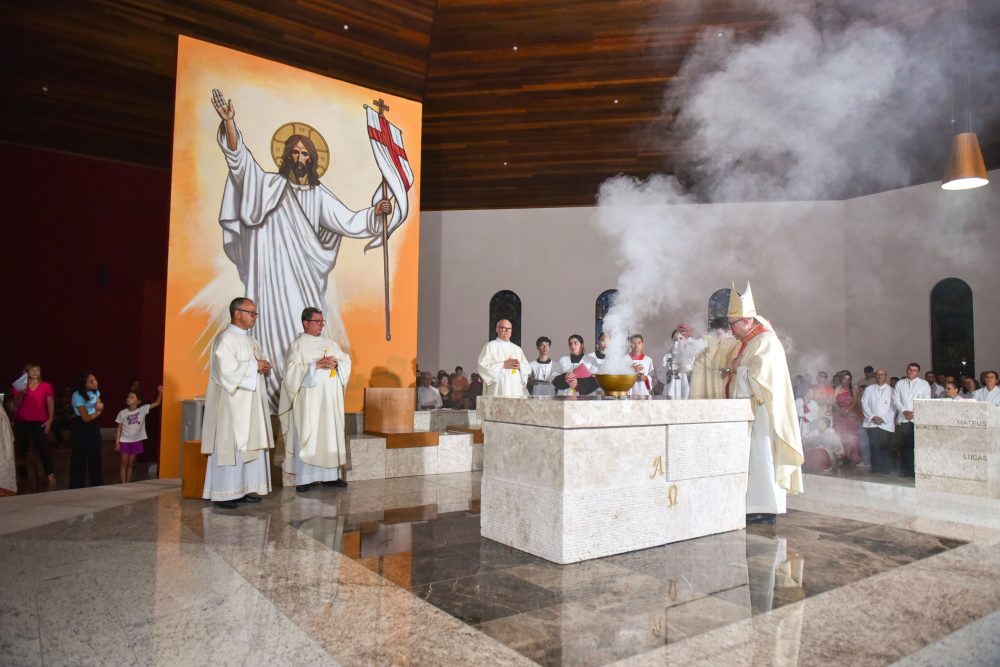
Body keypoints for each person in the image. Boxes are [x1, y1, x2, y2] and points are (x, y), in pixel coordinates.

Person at [210, 89, 401, 411]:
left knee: (300, 340)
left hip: (303, 280)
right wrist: (229, 123)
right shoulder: (269, 186)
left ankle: (298, 397)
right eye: (294, 153)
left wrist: (375, 213)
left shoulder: (319, 195)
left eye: (305, 154)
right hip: (270, 278)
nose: (300, 158)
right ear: (287, 156)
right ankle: (273, 400)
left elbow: (349, 221)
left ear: (313, 159)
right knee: (270, 330)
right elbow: (240, 163)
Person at [684, 282, 804, 525]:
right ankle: (756, 505)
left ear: (747, 320)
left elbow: (762, 378)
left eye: (733, 324)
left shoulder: (765, 341)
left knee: (763, 457)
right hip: (752, 411)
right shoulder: (749, 340)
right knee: (754, 459)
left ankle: (768, 508)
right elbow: (718, 348)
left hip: (763, 412)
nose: (731, 329)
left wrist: (739, 370)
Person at [201, 297, 274, 509]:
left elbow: (253, 368)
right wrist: (254, 366)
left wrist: (262, 368)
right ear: (237, 313)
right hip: (232, 405)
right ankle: (224, 493)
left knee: (249, 446)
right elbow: (225, 372)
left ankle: (242, 489)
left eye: (255, 313)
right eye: (251, 313)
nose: (254, 317)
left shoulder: (251, 341)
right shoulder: (225, 339)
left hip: (250, 403)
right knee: (230, 446)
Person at [279, 306, 352, 493]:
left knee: (329, 434)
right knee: (309, 434)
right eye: (317, 322)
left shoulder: (331, 343)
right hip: (309, 401)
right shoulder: (298, 346)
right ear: (306, 323)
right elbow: (291, 373)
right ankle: (305, 478)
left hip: (330, 400)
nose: (321, 325)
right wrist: (316, 365)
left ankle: (330, 477)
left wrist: (337, 363)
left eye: (322, 322)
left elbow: (345, 360)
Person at [10, 363, 57, 489]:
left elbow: (50, 403)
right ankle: (23, 476)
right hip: (22, 421)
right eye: (32, 370)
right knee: (22, 448)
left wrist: (50, 419)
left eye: (37, 370)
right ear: (26, 372)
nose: (35, 372)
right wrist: (21, 394)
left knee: (42, 448)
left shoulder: (46, 386)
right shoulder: (19, 387)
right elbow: (15, 407)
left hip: (39, 421)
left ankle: (50, 474)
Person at [114, 385, 164, 484]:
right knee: (124, 462)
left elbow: (157, 403)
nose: (128, 399)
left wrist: (160, 392)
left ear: (139, 401)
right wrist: (117, 443)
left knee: (131, 463)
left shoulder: (142, 410)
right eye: (128, 397)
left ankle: (128, 483)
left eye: (132, 397)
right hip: (124, 441)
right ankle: (123, 483)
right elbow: (119, 428)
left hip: (136, 441)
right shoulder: (122, 413)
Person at [892, 362, 931, 478]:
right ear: (906, 370)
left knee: (915, 446)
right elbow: (896, 400)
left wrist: (913, 413)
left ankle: (916, 470)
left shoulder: (924, 384)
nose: (911, 371)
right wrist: (904, 411)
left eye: (914, 370)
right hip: (904, 418)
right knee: (904, 446)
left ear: (918, 372)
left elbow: (926, 400)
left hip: (916, 418)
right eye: (909, 369)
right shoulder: (900, 383)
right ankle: (905, 470)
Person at [476, 320, 531, 398]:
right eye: (503, 328)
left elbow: (527, 368)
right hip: (498, 389)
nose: (506, 331)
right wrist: (503, 364)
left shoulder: (517, 349)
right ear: (497, 329)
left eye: (509, 329)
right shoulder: (490, 346)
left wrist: (520, 366)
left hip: (515, 388)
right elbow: (482, 366)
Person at [70, 372, 105, 488]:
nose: (95, 382)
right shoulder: (77, 395)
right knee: (79, 456)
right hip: (81, 426)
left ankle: (97, 483)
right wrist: (99, 412)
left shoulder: (96, 392)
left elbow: (100, 404)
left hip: (93, 425)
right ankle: (77, 485)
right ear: (84, 384)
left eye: (95, 379)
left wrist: (101, 406)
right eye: (91, 381)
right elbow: (85, 418)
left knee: (95, 455)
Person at [861, 369, 895, 474]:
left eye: (882, 374)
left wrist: (883, 418)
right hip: (872, 422)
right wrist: (873, 417)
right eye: (878, 374)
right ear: (875, 376)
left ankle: (885, 469)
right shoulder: (869, 389)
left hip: (886, 423)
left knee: (885, 446)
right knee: (874, 446)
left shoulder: (892, 390)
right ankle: (875, 468)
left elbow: (894, 407)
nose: (880, 376)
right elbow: (864, 404)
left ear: (886, 376)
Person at [831, 371, 862, 465]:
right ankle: (841, 457)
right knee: (840, 436)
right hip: (839, 415)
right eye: (844, 379)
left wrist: (848, 411)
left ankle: (852, 458)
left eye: (848, 379)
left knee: (852, 437)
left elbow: (855, 402)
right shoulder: (837, 389)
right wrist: (840, 411)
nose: (846, 381)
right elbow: (833, 402)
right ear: (841, 379)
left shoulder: (853, 389)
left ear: (850, 380)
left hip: (850, 416)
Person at [658, 329, 691, 400]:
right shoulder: (667, 356)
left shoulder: (690, 356)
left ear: (685, 340)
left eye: (681, 339)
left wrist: (686, 369)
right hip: (671, 388)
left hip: (683, 388)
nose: (678, 341)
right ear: (672, 341)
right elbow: (660, 373)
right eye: (675, 339)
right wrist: (667, 374)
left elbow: (693, 373)